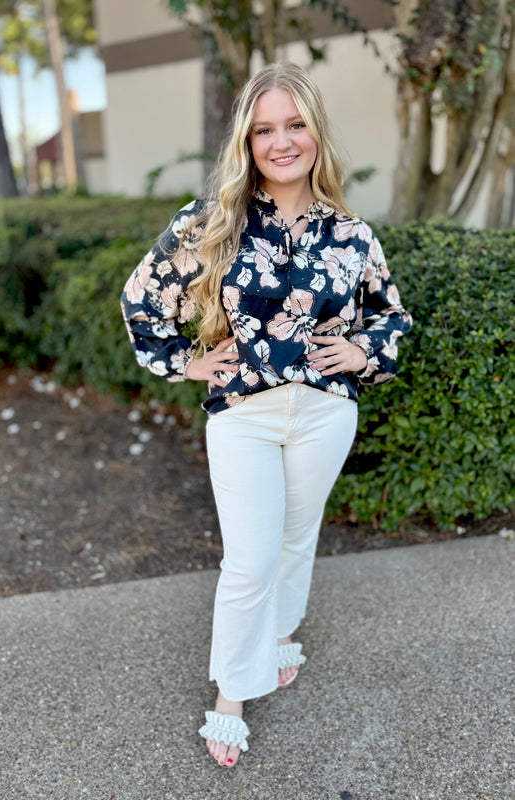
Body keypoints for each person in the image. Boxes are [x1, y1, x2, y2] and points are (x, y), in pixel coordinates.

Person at [121, 61, 412, 768]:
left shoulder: (351, 235)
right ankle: (231, 695)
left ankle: (280, 633)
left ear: (315, 132)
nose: (281, 142)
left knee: (293, 537)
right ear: (246, 144)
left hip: (323, 414)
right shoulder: (209, 222)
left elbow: (392, 318)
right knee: (249, 560)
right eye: (263, 130)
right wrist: (184, 362)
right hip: (242, 415)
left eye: (294, 125)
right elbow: (141, 300)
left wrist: (359, 348)